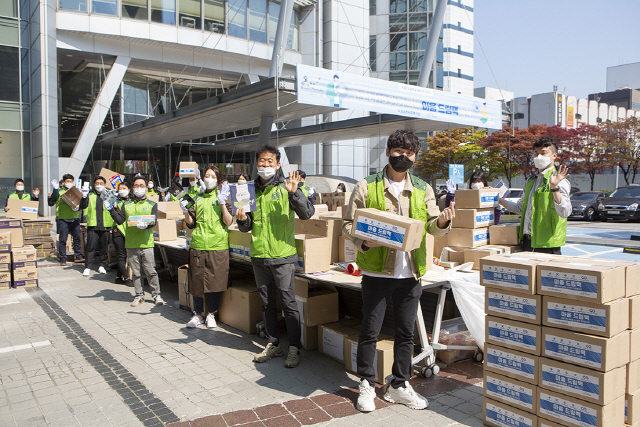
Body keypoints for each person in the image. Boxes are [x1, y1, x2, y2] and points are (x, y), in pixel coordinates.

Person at [342, 129, 455, 413]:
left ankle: (399, 384)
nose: (403, 157)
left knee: (407, 333)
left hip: (411, 273)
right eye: (398, 152)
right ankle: (366, 383)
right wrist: (362, 240)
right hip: (377, 272)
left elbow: (430, 225)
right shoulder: (366, 186)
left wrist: (441, 222)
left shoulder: (422, 188)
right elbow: (347, 224)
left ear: (415, 156)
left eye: (409, 153)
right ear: (388, 152)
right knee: (370, 330)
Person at [235, 145, 315, 368]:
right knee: (267, 303)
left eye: (270, 161)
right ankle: (273, 343)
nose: (266, 165)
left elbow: (307, 213)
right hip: (259, 255)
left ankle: (294, 347)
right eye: (262, 161)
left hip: (283, 256)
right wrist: (242, 219)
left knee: (289, 304)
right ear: (256, 164)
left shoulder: (287, 186)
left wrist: (294, 193)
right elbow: (246, 227)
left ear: (278, 164)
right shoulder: (248, 191)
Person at [499, 136, 571, 254]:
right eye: (536, 153)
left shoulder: (559, 181)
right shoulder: (531, 181)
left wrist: (554, 188)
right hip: (528, 242)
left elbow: (565, 212)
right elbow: (520, 209)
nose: (539, 157)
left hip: (548, 244)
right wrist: (498, 200)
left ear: (554, 156)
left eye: (544, 153)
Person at [182, 165, 232, 329]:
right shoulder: (197, 197)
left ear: (218, 179)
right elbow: (191, 224)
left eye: (212, 176)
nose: (208, 178)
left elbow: (228, 221)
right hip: (198, 244)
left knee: (215, 282)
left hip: (217, 245)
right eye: (206, 175)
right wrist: (185, 212)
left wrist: (223, 202)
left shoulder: (223, 196)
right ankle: (198, 314)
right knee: (197, 281)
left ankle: (211, 314)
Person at [110, 175, 165, 307]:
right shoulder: (126, 205)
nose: (138, 188)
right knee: (135, 273)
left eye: (141, 185)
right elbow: (119, 220)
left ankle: (156, 294)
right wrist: (110, 210)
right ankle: (139, 295)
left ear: (146, 188)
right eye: (136, 186)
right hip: (131, 243)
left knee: (150, 271)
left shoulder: (152, 204)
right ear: (132, 188)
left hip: (146, 243)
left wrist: (146, 225)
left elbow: (153, 221)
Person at [79, 176, 113, 277]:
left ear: (105, 184)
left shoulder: (108, 195)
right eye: (97, 183)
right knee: (90, 247)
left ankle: (102, 265)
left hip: (105, 225)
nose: (99, 185)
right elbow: (83, 206)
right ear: (94, 185)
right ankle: (88, 267)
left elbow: (114, 207)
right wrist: (84, 197)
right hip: (93, 225)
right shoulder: (90, 195)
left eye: (101, 183)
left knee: (103, 247)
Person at [48, 174, 84, 266]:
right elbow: (52, 201)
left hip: (75, 218)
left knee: (76, 239)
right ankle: (63, 258)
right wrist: (55, 190)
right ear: (63, 182)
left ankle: (78, 257)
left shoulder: (76, 191)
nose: (69, 183)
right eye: (67, 181)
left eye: (70, 181)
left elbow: (83, 203)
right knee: (63, 239)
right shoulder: (59, 192)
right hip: (63, 219)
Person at [112, 182, 131, 285]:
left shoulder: (132, 202)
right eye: (120, 189)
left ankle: (118, 277)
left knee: (126, 254)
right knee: (121, 255)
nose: (122, 190)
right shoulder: (116, 201)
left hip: (128, 231)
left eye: (124, 188)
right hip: (118, 230)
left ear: (129, 189)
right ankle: (126, 277)